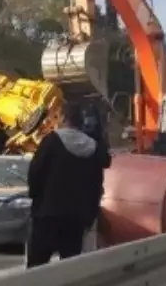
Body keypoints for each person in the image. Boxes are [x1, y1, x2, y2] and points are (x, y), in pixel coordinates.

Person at [26, 101, 112, 268]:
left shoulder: (51, 142)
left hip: (48, 214)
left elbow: (35, 174)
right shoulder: (93, 146)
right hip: (77, 217)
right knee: (70, 265)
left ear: (63, 118)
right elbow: (104, 165)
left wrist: (35, 199)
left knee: (37, 264)